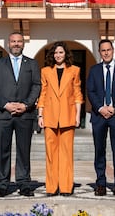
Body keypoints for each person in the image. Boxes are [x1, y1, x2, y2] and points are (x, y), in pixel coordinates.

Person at [0, 32, 41, 197]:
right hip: (3, 114)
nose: (16, 44)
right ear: (8, 43)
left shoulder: (32, 64)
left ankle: (24, 183)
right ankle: (3, 184)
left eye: (19, 41)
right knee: (3, 150)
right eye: (13, 41)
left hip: (25, 114)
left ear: (23, 44)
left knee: (23, 150)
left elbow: (36, 86)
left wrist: (26, 105)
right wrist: (6, 104)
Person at [37, 41, 84, 196]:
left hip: (67, 115)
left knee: (66, 153)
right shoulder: (45, 71)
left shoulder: (74, 70)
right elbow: (42, 94)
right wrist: (40, 115)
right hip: (50, 116)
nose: (58, 55)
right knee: (51, 154)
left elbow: (78, 94)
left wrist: (78, 115)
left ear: (66, 54)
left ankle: (65, 187)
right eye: (56, 53)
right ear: (52, 55)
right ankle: (51, 187)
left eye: (61, 52)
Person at [87, 39, 115, 197]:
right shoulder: (94, 70)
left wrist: (114, 108)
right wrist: (100, 108)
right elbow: (91, 91)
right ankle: (101, 184)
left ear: (113, 50)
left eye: (108, 50)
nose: (106, 53)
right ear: (100, 52)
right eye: (103, 50)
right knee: (100, 151)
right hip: (99, 116)